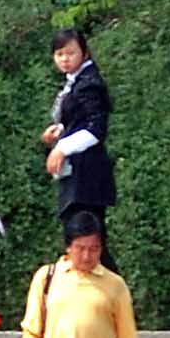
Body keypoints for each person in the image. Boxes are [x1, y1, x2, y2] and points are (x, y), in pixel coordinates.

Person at [43, 28, 116, 241]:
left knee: (87, 243)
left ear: (84, 53)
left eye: (70, 53)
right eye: (59, 54)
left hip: (87, 177)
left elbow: (95, 129)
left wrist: (61, 148)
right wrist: (60, 130)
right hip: (79, 174)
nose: (64, 59)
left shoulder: (89, 83)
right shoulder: (76, 81)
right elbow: (80, 120)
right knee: (79, 239)